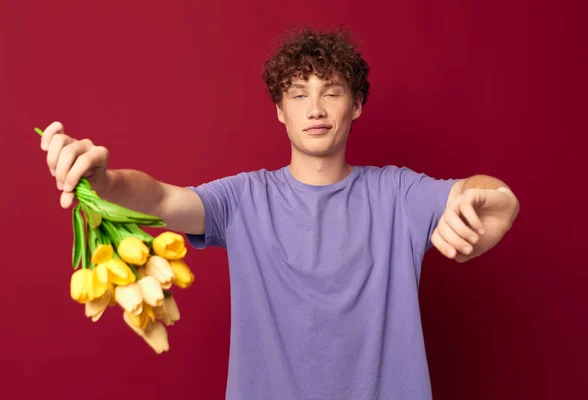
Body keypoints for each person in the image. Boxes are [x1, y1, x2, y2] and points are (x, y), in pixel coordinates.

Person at [40, 26, 519, 400]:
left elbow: (489, 197)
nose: (315, 108)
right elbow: (163, 200)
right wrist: (104, 182)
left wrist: (485, 199)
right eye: (298, 94)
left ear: (356, 106)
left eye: (331, 91)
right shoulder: (245, 199)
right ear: (279, 110)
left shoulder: (398, 193)